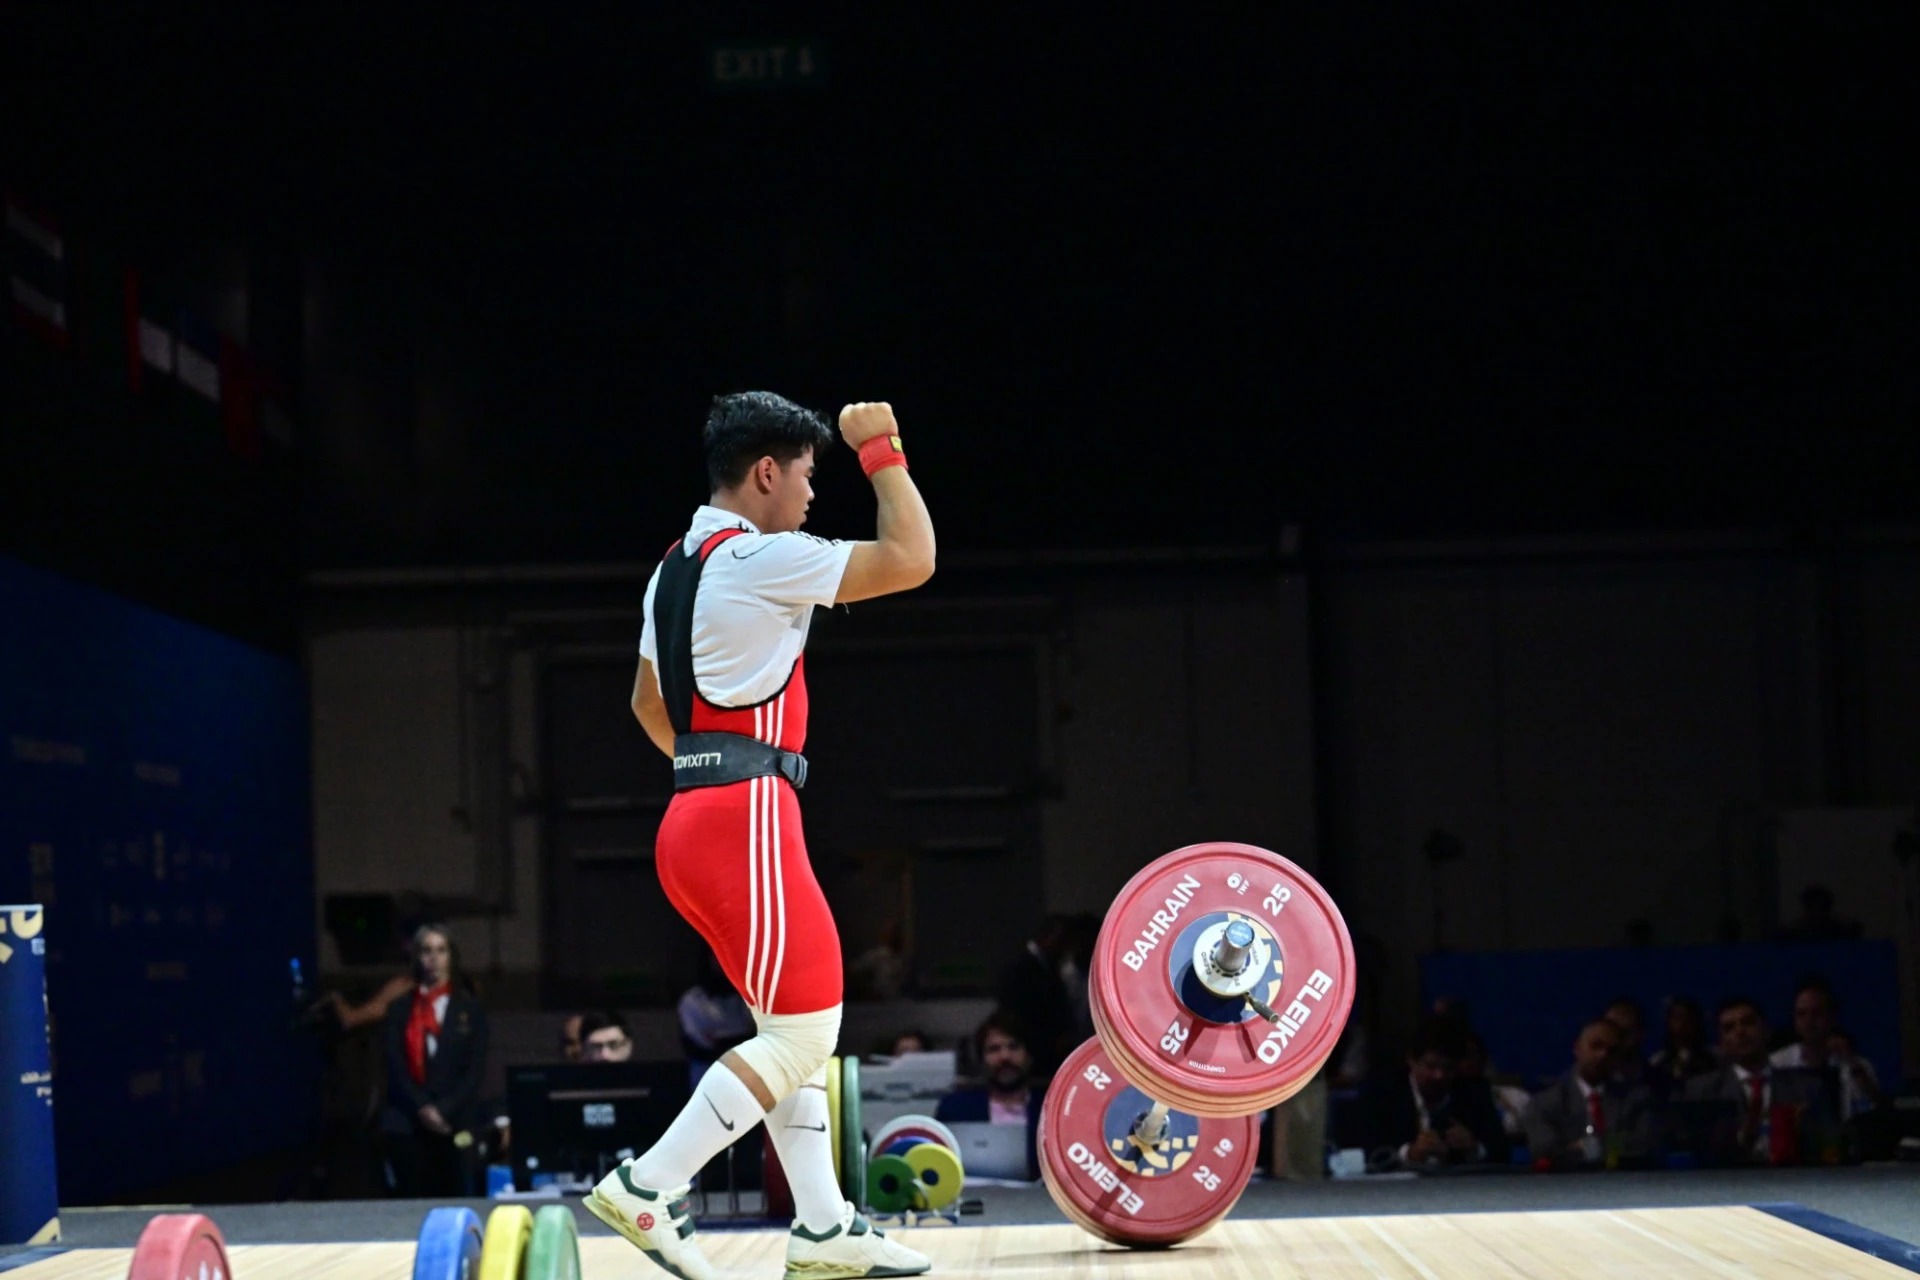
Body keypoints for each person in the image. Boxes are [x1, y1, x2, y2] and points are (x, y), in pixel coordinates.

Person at [582, 395, 936, 1280]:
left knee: (788, 1028)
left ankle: (823, 1225)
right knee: (805, 1036)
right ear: (767, 473)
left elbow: (646, 703)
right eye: (809, 476)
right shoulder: (759, 556)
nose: (814, 496)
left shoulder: (673, 567)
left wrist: (711, 770)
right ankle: (649, 1185)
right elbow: (912, 558)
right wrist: (880, 449)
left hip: (693, 820)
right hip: (745, 821)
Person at [380, 924, 489, 1197]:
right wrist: (423, 1108)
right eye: (427, 950)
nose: (434, 958)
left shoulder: (470, 1009)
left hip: (454, 1118)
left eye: (441, 950)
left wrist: (444, 1109)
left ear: (451, 956)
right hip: (410, 1117)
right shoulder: (400, 1009)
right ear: (417, 957)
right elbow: (395, 1066)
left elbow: (474, 1070)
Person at [1354, 1016, 1508, 1170]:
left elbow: (1502, 1151)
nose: (1439, 1075)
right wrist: (1410, 1154)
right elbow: (1368, 1153)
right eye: (1431, 1066)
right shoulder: (1381, 1093)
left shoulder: (1474, 1091)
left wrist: (1475, 1148)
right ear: (1411, 1060)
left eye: (1447, 1068)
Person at [1684, 996, 1824, 1164]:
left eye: (1748, 1023)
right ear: (1722, 1042)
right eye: (1729, 1028)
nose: (1740, 1032)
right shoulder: (1702, 1091)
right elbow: (1699, 1151)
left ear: (1766, 1030)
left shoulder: (1805, 1088)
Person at [1521, 1019, 1654, 1169]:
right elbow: (1544, 1151)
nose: (1603, 1054)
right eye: (1596, 1046)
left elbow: (1644, 1145)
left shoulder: (1636, 1099)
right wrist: (1611, 1147)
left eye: (1612, 1050)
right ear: (1578, 1048)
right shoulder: (1544, 1102)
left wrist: (1586, 1147)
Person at [935, 1011, 1041, 1180]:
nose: (1005, 1057)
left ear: (1028, 1056)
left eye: (1013, 1047)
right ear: (981, 1060)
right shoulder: (955, 1108)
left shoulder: (1051, 1110)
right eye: (994, 1049)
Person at [1770, 979, 1881, 1117]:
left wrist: (1850, 1061)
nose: (1809, 1021)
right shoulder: (1777, 1064)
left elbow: (1877, 1108)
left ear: (1832, 1017)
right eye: (1801, 1014)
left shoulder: (1856, 1065)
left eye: (1816, 1013)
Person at [995, 915, 1076, 1079]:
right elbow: (1014, 1014)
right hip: (1031, 1051)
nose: (1065, 947)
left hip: (1052, 1054)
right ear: (1046, 937)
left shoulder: (1051, 965)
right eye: (1061, 940)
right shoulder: (1019, 966)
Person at [677, 951, 756, 1090]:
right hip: (707, 1083)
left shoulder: (748, 1000)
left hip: (744, 1085)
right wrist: (731, 1045)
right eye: (717, 957)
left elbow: (755, 1039)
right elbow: (697, 1047)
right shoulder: (692, 1001)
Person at [1647, 996, 1715, 1096]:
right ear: (1668, 1022)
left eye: (1688, 1018)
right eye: (1677, 1017)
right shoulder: (1657, 1063)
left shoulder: (1714, 1059)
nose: (1682, 1023)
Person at [1602, 998, 1648, 1087]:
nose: (1616, 1040)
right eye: (1610, 1031)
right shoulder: (1588, 1084)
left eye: (1623, 1033)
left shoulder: (1664, 1085)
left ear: (1641, 1034)